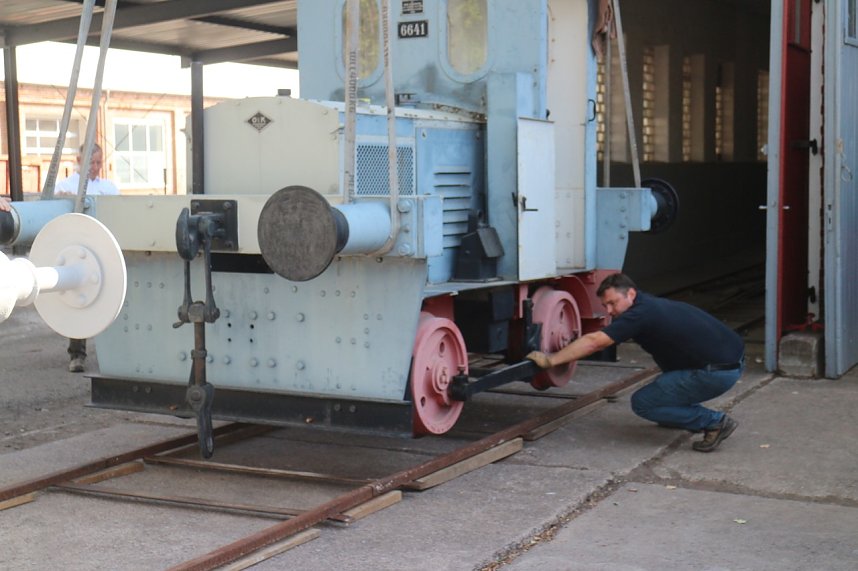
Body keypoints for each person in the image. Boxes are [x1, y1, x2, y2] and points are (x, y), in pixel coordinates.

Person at [527, 273, 744, 453]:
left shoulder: (639, 315)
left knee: (644, 402)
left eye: (613, 303)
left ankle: (714, 421)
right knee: (665, 382)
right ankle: (678, 415)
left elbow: (595, 342)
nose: (610, 311)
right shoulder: (648, 304)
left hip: (716, 373)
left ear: (630, 294)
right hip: (728, 361)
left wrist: (551, 359)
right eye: (605, 306)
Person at [55, 143, 119, 373]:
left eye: (99, 162)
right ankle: (77, 355)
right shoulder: (65, 186)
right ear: (79, 161)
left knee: (111, 301)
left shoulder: (109, 188)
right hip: (79, 251)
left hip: (104, 250)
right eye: (91, 162)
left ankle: (114, 353)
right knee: (78, 302)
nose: (95, 167)